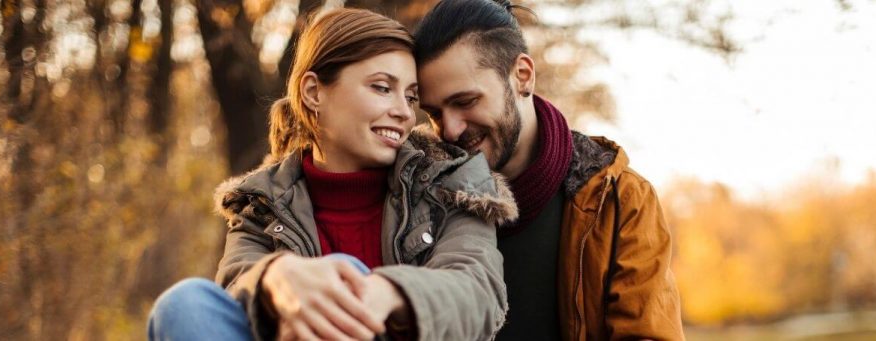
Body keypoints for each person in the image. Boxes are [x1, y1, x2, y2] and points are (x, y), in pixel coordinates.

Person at [148, 7, 516, 341]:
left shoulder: (451, 181)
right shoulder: (262, 203)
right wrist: (277, 277)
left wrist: (384, 294)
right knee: (183, 305)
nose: (405, 112)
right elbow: (235, 285)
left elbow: (478, 290)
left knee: (344, 271)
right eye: (383, 88)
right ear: (313, 92)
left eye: (411, 96)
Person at [412, 0, 685, 340]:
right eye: (434, 113)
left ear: (522, 76)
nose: (450, 130)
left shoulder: (618, 199)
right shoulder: (415, 196)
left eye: (465, 102)